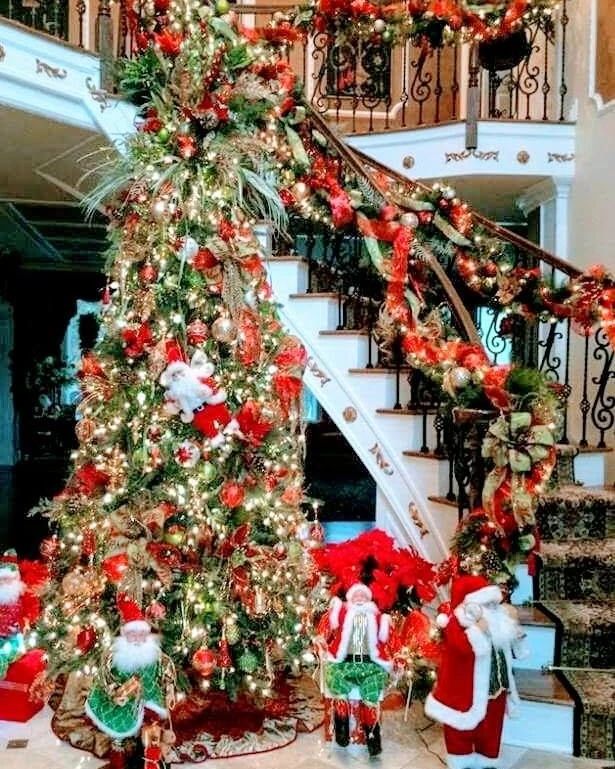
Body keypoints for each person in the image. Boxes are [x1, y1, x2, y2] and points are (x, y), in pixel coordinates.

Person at [425, 575, 528, 769]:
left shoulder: (499, 620)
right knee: (460, 730)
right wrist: (478, 630)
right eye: (485, 603)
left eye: (492, 603)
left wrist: (515, 629)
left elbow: (514, 648)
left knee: (492, 729)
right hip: (465, 693)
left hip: (497, 689)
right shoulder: (456, 623)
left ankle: (487, 759)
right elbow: (463, 647)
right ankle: (461, 761)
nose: (491, 608)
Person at [85, 594, 174, 764]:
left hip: (148, 695)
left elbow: (165, 672)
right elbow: (105, 678)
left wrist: (167, 689)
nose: (137, 639)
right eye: (132, 634)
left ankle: (149, 752)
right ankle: (119, 752)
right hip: (122, 699)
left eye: (141, 634)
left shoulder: (154, 655)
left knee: (152, 721)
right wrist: (116, 692)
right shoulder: (116, 657)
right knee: (118, 725)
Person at [319, 582, 392, 756]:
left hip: (370, 664)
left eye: (364, 596)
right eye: (356, 596)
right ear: (349, 600)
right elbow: (329, 625)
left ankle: (372, 738)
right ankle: (342, 729)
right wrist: (335, 608)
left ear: (370, 601)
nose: (360, 599)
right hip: (345, 662)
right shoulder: (343, 614)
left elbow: (387, 639)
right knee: (335, 679)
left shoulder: (378, 617)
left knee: (372, 690)